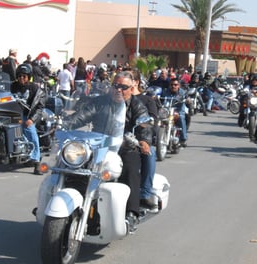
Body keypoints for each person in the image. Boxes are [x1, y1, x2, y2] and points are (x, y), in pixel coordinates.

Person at [66, 71, 152, 232]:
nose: (118, 90)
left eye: (123, 87)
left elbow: (144, 124)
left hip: (125, 146)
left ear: (131, 88)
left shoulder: (136, 105)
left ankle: (131, 213)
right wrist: (64, 124)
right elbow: (82, 116)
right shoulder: (100, 102)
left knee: (131, 168)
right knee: (74, 164)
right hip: (98, 145)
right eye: (116, 86)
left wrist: (144, 140)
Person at [131, 69, 159, 212]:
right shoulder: (117, 99)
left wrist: (145, 140)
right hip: (116, 138)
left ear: (135, 82)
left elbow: (152, 121)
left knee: (149, 154)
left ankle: (145, 193)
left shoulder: (147, 100)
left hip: (138, 139)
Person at [10, 63, 46, 175]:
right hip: (11, 115)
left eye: (24, 76)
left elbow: (40, 106)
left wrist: (32, 119)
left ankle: (36, 162)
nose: (21, 78)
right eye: (20, 75)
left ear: (28, 77)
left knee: (31, 133)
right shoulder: (11, 86)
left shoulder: (35, 89)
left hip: (26, 117)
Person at [161, 78, 188, 146]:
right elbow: (161, 99)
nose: (173, 86)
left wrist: (187, 100)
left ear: (178, 85)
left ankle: (183, 139)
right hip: (167, 110)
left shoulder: (182, 92)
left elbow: (186, 98)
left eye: (175, 85)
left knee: (181, 118)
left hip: (178, 110)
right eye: (172, 84)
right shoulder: (165, 91)